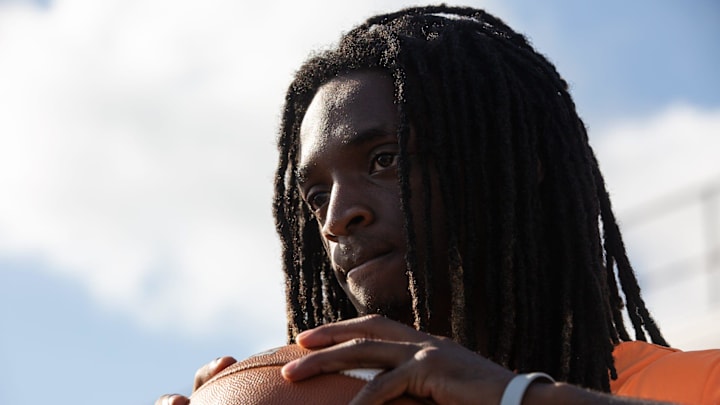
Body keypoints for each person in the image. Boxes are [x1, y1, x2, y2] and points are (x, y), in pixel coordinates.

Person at [157, 5, 720, 405]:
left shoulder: (698, 384)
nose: (335, 218)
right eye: (316, 195)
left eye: (384, 160)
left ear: (515, 165)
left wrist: (517, 397)